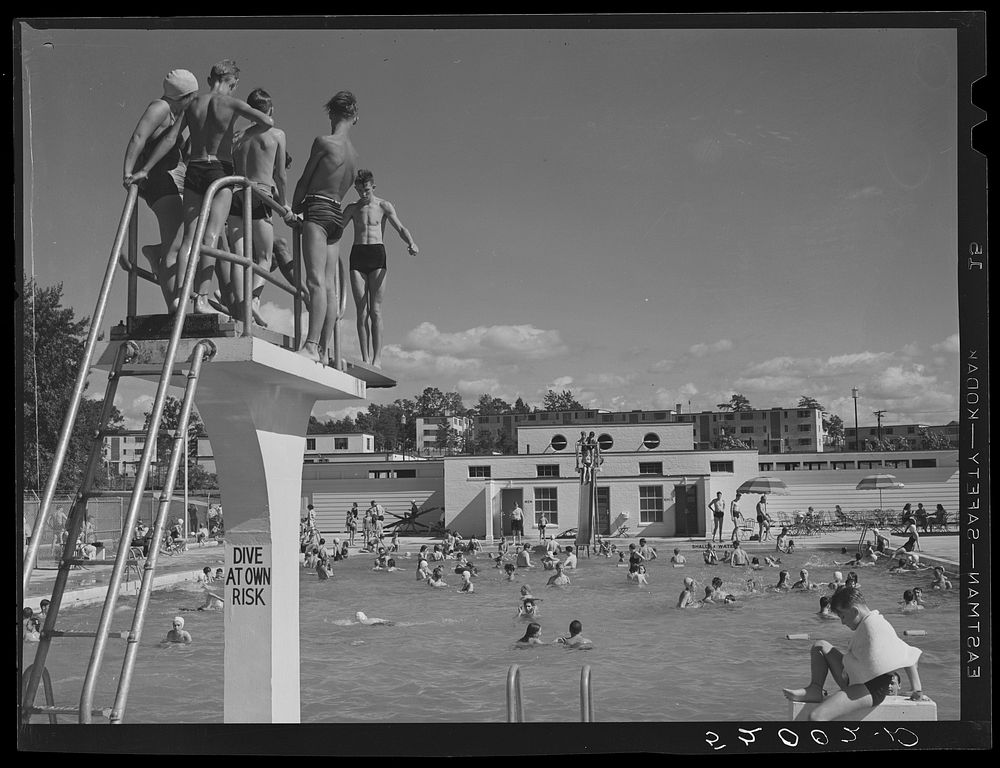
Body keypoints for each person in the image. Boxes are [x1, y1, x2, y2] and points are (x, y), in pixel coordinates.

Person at [128, 60, 275, 314]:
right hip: (219, 170)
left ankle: (182, 297)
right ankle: (201, 299)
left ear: (209, 80)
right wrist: (246, 132)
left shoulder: (193, 103)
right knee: (211, 237)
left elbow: (172, 138)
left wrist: (145, 169)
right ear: (234, 83)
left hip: (194, 169)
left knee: (188, 239)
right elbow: (267, 123)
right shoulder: (233, 104)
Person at [782, 586, 927, 720]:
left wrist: (917, 689)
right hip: (854, 678)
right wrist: (916, 687)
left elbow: (908, 655)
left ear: (855, 611)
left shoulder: (875, 626)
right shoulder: (866, 623)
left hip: (871, 689)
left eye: (843, 616)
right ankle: (815, 689)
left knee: (816, 716)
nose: (842, 622)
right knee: (820, 646)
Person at [121, 69, 200, 309]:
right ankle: (174, 311)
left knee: (179, 242)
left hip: (169, 180)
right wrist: (127, 173)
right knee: (175, 249)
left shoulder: (175, 115)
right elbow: (138, 137)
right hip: (160, 182)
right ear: (184, 95)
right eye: (193, 96)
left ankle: (156, 253)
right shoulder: (161, 108)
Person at [291, 91, 359, 363]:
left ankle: (310, 345)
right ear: (355, 118)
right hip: (337, 213)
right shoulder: (355, 155)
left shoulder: (324, 142)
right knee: (329, 287)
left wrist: (292, 209)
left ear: (331, 113)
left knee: (315, 281)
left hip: (317, 209)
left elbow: (305, 181)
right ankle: (322, 350)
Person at [227, 87, 295, 320]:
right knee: (265, 258)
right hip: (261, 194)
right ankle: (253, 300)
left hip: (236, 192)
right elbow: (280, 175)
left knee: (238, 256)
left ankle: (238, 306)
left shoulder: (237, 136)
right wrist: (284, 205)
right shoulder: (277, 134)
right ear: (271, 110)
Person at [339, 169, 418, 367]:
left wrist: (411, 242)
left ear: (372, 187)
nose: (363, 194)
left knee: (375, 310)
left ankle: (377, 359)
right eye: (359, 190)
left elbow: (400, 227)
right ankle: (365, 358)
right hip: (357, 254)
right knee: (361, 310)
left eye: (366, 190)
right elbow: (335, 228)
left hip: (377, 255)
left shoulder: (383, 205)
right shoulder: (352, 208)